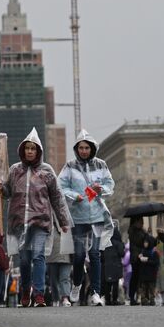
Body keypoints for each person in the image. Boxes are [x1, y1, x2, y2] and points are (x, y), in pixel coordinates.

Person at [0, 128, 69, 308]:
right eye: (27, 148)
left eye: (33, 148)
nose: (29, 151)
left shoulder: (47, 171)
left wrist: (64, 221)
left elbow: (57, 197)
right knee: (25, 260)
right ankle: (25, 290)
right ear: (22, 150)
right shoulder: (14, 171)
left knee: (38, 257)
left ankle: (39, 295)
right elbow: (6, 193)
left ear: (38, 151)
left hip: (40, 223)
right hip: (20, 223)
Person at [58, 129, 114, 307]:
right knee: (80, 256)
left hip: (97, 216)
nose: (83, 151)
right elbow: (61, 186)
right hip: (79, 218)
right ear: (76, 149)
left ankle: (96, 293)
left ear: (92, 148)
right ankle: (77, 284)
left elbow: (110, 184)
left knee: (95, 254)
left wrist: (101, 190)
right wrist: (75, 196)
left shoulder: (101, 165)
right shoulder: (69, 166)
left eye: (86, 148)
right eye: (80, 148)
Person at [128, 220, 160, 306]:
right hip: (136, 258)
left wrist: (148, 234)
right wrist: (146, 236)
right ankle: (134, 297)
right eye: (140, 222)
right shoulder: (133, 231)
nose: (141, 223)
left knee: (142, 280)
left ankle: (142, 297)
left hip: (141, 258)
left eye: (142, 222)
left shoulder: (142, 232)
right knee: (136, 279)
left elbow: (150, 242)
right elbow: (140, 241)